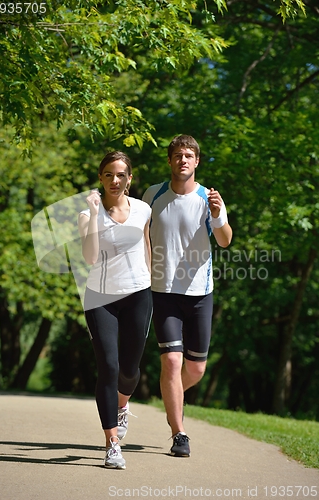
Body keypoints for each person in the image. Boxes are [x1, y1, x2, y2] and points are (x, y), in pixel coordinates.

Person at [143, 135, 232, 458]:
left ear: (196, 162)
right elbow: (140, 237)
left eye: (189, 155)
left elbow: (224, 241)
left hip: (199, 294)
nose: (183, 160)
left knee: (194, 371)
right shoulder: (153, 194)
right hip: (163, 292)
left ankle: (171, 395)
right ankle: (179, 433)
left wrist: (219, 216)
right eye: (178, 155)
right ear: (170, 161)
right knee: (171, 361)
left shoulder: (208, 198)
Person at [78, 151, 152, 470]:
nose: (114, 180)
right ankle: (112, 444)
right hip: (100, 298)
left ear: (129, 179)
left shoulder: (144, 210)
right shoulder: (87, 214)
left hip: (138, 294)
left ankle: (123, 405)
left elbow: (147, 247)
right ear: (100, 178)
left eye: (120, 174)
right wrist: (94, 215)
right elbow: (90, 257)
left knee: (130, 370)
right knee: (109, 366)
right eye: (108, 174)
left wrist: (153, 287)